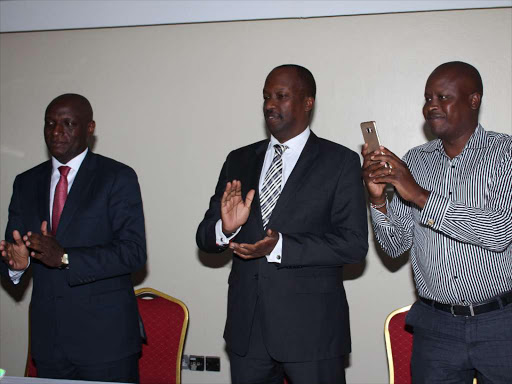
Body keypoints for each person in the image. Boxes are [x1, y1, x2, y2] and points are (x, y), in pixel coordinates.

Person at [196, 64, 368, 384]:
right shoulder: (239, 159)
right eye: (266, 97)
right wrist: (226, 228)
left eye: (281, 96)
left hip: (312, 332)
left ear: (307, 102)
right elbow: (205, 236)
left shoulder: (340, 161)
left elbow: (354, 244)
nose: (270, 105)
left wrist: (282, 247)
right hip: (248, 331)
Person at [362, 61, 512, 383]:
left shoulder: (505, 152)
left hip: (500, 322)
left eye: (443, 97)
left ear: (474, 100)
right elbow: (395, 245)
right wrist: (377, 200)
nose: (431, 106)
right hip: (436, 325)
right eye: (428, 98)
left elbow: (499, 233)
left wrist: (419, 195)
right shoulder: (415, 159)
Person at [0, 94, 147, 382]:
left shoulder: (117, 177)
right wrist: (15, 267)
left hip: (106, 343)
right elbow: (13, 249)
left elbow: (133, 253)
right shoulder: (25, 182)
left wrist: (66, 258)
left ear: (89, 128)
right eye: (50, 123)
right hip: (49, 342)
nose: (56, 131)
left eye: (68, 123)